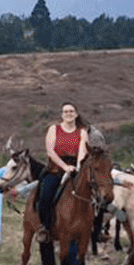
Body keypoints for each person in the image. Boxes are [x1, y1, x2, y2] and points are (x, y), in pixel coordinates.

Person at [39, 102, 90, 243]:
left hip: (76, 167)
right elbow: (50, 151)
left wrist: (77, 167)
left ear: (76, 114)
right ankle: (46, 227)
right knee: (45, 196)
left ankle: (96, 228)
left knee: (94, 193)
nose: (68, 113)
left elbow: (82, 151)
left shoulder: (82, 132)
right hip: (56, 167)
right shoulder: (53, 129)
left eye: (71, 111)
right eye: (65, 111)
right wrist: (64, 166)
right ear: (62, 115)